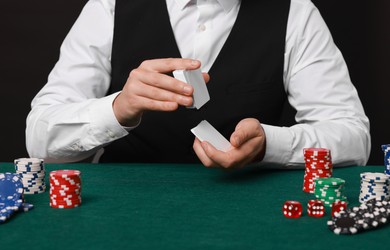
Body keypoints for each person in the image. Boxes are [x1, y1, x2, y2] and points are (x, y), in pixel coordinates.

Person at [26, 0, 371, 168]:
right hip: (121, 220)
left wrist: (271, 144)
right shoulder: (110, 6)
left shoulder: (295, 12)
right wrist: (118, 110)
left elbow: (353, 138)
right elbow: (40, 140)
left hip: (250, 222)